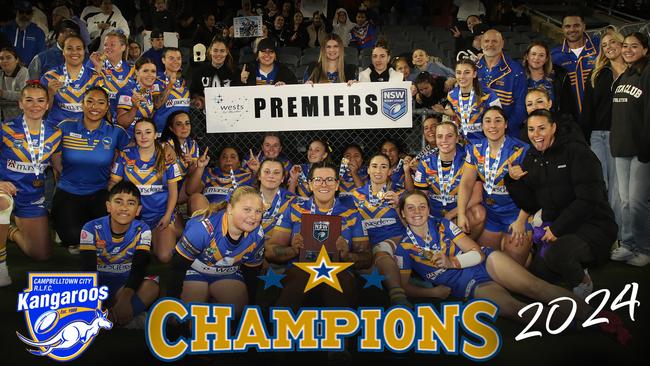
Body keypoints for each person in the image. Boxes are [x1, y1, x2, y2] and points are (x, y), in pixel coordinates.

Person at [394, 190, 627, 340]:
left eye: (422, 206)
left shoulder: (442, 225)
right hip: (467, 284)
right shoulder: (404, 247)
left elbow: (476, 253)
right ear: (402, 213)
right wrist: (433, 292)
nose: (417, 212)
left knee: (535, 287)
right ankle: (578, 325)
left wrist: (452, 261)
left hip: (484, 262)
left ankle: (598, 315)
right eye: (411, 208)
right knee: (516, 310)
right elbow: (403, 286)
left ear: (428, 209)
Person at [505, 109, 617, 298]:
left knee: (557, 254)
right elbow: (531, 203)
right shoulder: (532, 157)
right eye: (531, 129)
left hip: (594, 224)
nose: (536, 135)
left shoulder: (577, 151)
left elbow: (589, 199)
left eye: (542, 128)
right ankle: (573, 264)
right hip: (558, 227)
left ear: (553, 127)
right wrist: (512, 180)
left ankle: (583, 282)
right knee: (539, 274)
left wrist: (557, 229)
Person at [266, 161, 370, 311]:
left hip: (339, 271)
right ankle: (282, 331)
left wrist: (347, 255)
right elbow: (270, 251)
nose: (324, 184)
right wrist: (293, 250)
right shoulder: (294, 210)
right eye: (318, 180)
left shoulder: (352, 214)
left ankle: (338, 331)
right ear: (310, 184)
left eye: (329, 180)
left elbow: (367, 257)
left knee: (335, 280)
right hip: (299, 270)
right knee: (299, 277)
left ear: (336, 185)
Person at [52, 87, 130, 254]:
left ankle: (88, 224)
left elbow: (135, 151)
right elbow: (55, 159)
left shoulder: (116, 132)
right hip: (68, 190)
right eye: (90, 102)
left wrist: (165, 148)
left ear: (107, 106)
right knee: (72, 237)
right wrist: (66, 177)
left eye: (101, 103)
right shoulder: (66, 127)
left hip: (100, 191)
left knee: (109, 236)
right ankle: (70, 226)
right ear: (82, 104)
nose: (95, 107)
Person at [167, 186, 265, 318]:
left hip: (227, 273)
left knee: (236, 313)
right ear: (230, 208)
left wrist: (250, 310)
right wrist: (173, 305)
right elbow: (177, 267)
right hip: (194, 271)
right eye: (247, 210)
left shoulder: (257, 235)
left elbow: (252, 273)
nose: (253, 216)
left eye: (258, 211)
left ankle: (214, 301)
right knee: (189, 316)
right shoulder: (202, 228)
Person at [0, 83, 62, 286]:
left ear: (47, 105)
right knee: (2, 203)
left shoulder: (55, 133)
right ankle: (1, 267)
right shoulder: (6, 129)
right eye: (29, 100)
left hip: (33, 195)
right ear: (20, 103)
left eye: (40, 100)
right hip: (5, 190)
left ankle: (8, 230)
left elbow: (58, 167)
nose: (34, 105)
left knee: (41, 254)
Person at [457, 106, 531, 265]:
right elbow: (466, 183)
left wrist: (521, 221)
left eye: (498, 121)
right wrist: (461, 213)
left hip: (515, 213)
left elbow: (534, 189)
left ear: (505, 124)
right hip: (491, 213)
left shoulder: (522, 149)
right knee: (490, 261)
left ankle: (529, 254)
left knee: (514, 267)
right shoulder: (475, 148)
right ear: (482, 126)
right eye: (488, 121)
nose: (493, 126)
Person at [80, 181, 160, 327]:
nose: (124, 208)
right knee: (69, 290)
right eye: (118, 201)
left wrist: (125, 300)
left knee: (152, 287)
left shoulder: (143, 229)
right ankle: (126, 318)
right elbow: (88, 270)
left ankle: (110, 318)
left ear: (138, 210)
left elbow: (139, 266)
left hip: (125, 283)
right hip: (97, 283)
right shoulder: (90, 227)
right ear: (108, 206)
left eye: (131, 203)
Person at [109, 119, 182, 263]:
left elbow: (174, 192)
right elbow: (113, 183)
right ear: (134, 136)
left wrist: (167, 216)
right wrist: (118, 207)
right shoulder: (125, 155)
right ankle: (143, 238)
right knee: (120, 257)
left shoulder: (167, 157)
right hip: (132, 217)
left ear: (155, 135)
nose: (143, 136)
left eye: (148, 132)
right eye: (139, 133)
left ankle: (172, 229)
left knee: (165, 256)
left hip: (159, 216)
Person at [609, 32, 650, 267]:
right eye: (625, 46)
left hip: (641, 150)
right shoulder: (625, 75)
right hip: (622, 148)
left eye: (634, 46)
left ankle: (645, 248)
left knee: (637, 202)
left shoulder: (647, 72)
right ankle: (627, 244)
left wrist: (646, 147)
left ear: (645, 49)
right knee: (624, 201)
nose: (628, 50)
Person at [580, 30, 626, 235]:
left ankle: (619, 233)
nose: (608, 47)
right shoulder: (596, 74)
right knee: (600, 185)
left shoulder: (635, 73)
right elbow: (587, 110)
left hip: (624, 138)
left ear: (622, 44)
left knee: (620, 191)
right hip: (598, 136)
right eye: (604, 45)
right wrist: (585, 138)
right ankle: (602, 232)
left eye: (613, 42)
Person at [413, 121, 486, 237]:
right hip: (432, 214)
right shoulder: (426, 162)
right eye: (440, 136)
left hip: (458, 214)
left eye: (449, 136)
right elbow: (420, 196)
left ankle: (465, 248)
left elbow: (477, 196)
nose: (444, 141)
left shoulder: (468, 159)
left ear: (457, 138)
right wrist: (428, 219)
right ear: (435, 139)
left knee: (479, 213)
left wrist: (451, 215)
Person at [41, 35, 102, 125]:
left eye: (79, 48)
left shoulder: (95, 78)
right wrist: (50, 94)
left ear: (84, 52)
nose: (74, 52)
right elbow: (42, 113)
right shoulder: (50, 77)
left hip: (84, 129)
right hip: (56, 128)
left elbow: (99, 111)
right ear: (63, 52)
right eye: (69, 48)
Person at [477, 29, 527, 138]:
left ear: (502, 44)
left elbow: (521, 107)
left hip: (507, 134)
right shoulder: (473, 69)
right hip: (478, 134)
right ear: (481, 44)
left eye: (494, 41)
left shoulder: (515, 70)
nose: (490, 44)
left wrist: (504, 128)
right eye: (486, 41)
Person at [551, 12, 600, 120]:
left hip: (598, 117)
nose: (572, 29)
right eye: (567, 26)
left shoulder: (599, 50)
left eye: (576, 25)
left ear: (584, 26)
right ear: (562, 28)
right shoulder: (554, 56)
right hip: (570, 121)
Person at [446, 58, 501, 144]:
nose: (462, 76)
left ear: (474, 74)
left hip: (486, 143)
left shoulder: (488, 94)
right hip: (464, 144)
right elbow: (456, 115)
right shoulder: (451, 95)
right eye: (458, 72)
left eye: (467, 72)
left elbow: (499, 120)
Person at [186, 146, 255, 212]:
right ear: (219, 161)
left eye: (233, 157)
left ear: (239, 162)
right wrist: (200, 168)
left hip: (234, 216)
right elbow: (191, 191)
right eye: (224, 157)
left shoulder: (247, 176)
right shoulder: (210, 173)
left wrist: (256, 170)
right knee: (196, 198)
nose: (228, 159)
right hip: (209, 216)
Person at [89, 30, 135, 119]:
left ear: (123, 47)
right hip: (99, 117)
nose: (107, 48)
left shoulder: (132, 68)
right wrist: (97, 69)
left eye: (112, 45)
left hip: (124, 118)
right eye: (105, 44)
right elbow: (87, 92)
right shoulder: (93, 64)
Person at [160, 110, 199, 206]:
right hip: (165, 187)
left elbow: (191, 174)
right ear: (171, 128)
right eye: (179, 124)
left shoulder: (192, 143)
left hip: (181, 187)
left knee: (199, 178)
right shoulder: (166, 144)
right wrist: (166, 147)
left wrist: (191, 163)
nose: (184, 127)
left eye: (187, 123)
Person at [190, 36, 238, 110]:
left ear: (226, 52)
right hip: (203, 115)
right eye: (215, 50)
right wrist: (199, 100)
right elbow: (193, 92)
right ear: (210, 51)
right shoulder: (199, 71)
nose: (218, 54)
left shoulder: (234, 72)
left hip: (228, 112)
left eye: (222, 51)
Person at [116, 57, 157, 138]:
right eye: (145, 71)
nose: (150, 74)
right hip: (126, 141)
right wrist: (134, 108)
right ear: (136, 72)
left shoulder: (148, 92)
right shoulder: (128, 91)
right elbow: (122, 123)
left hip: (141, 139)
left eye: (153, 71)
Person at [152, 47, 190, 133]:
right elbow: (157, 104)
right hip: (162, 132)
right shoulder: (156, 80)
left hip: (182, 132)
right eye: (171, 58)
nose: (176, 61)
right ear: (163, 60)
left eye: (178, 58)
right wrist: (170, 85)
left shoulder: (185, 81)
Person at [256, 158, 295, 238]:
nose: (271, 176)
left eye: (276, 173)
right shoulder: (246, 198)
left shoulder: (292, 201)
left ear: (282, 178)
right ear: (259, 176)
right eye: (267, 172)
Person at [1, 2, 46, 66]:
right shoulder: (6, 30)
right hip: (7, 70)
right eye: (21, 12)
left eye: (28, 12)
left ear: (31, 14)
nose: (24, 15)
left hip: (30, 71)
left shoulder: (38, 32)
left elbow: (42, 55)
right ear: (17, 12)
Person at [523, 41, 559, 108]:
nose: (536, 58)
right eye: (533, 54)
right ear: (527, 56)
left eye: (541, 55)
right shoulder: (519, 77)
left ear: (546, 59)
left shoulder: (556, 78)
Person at [0, 48, 29, 121]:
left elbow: (25, 96)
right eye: (1, 58)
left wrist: (3, 93)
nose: (4, 61)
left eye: (8, 58)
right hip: (4, 117)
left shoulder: (24, 73)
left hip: (22, 117)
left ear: (16, 60)